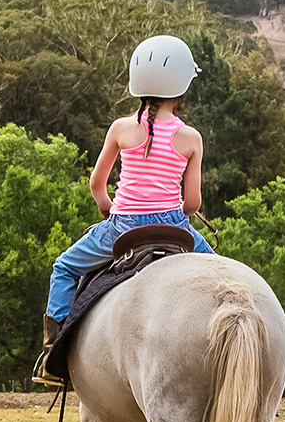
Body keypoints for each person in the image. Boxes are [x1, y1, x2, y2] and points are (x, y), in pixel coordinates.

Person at [32, 34, 217, 385]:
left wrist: (107, 207)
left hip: (122, 228)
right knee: (224, 273)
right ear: (181, 89)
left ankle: (52, 353)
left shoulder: (121, 128)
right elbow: (192, 204)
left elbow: (96, 184)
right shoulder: (191, 138)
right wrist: (174, 209)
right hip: (176, 228)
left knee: (64, 268)